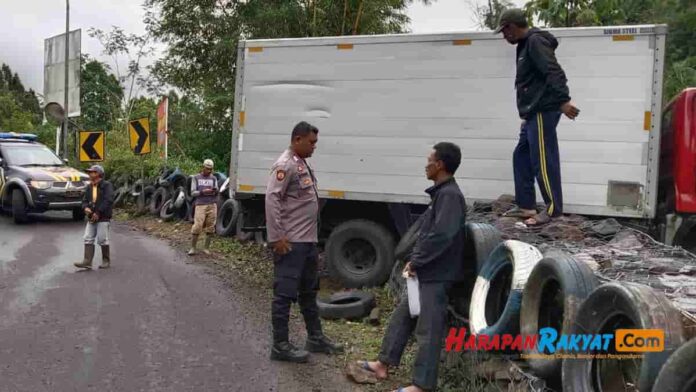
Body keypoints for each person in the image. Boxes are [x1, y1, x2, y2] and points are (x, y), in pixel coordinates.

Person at [355, 142, 467, 392]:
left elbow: (441, 237)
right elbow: (427, 235)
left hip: (437, 275)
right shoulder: (441, 194)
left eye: (429, 160)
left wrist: (418, 261)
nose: (425, 164)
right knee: (402, 316)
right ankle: (383, 364)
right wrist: (415, 261)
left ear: (439, 165)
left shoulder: (450, 196)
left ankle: (423, 386)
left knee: (428, 330)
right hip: (426, 272)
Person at [265, 121, 343, 363]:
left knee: (309, 293)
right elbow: (272, 199)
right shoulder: (285, 164)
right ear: (297, 139)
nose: (314, 147)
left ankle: (315, 338)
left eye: (315, 142)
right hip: (291, 243)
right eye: (311, 142)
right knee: (285, 294)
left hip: (307, 242)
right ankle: (280, 345)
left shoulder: (302, 164)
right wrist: (277, 236)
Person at [495, 8, 580, 226]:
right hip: (533, 113)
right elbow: (530, 82)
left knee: (543, 160)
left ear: (511, 27)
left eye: (504, 31)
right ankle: (526, 206)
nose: (504, 36)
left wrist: (563, 100)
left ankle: (553, 210)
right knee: (521, 156)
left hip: (543, 110)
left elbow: (553, 71)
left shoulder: (535, 42)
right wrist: (526, 114)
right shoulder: (524, 45)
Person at [74, 164, 114, 270]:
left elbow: (108, 200)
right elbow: (84, 200)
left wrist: (98, 212)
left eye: (92, 172)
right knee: (88, 238)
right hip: (91, 217)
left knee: (102, 239)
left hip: (103, 217)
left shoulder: (107, 185)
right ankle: (87, 261)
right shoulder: (89, 187)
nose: (90, 174)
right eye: (90, 172)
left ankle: (106, 260)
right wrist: (85, 208)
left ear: (99, 174)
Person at [188, 159, 219, 255]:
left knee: (211, 226)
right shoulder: (196, 178)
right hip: (200, 204)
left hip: (212, 204)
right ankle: (193, 247)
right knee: (197, 226)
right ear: (203, 167)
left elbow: (217, 190)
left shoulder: (213, 178)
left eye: (210, 169)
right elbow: (192, 192)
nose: (209, 171)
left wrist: (215, 190)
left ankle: (206, 248)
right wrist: (202, 192)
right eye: (207, 169)